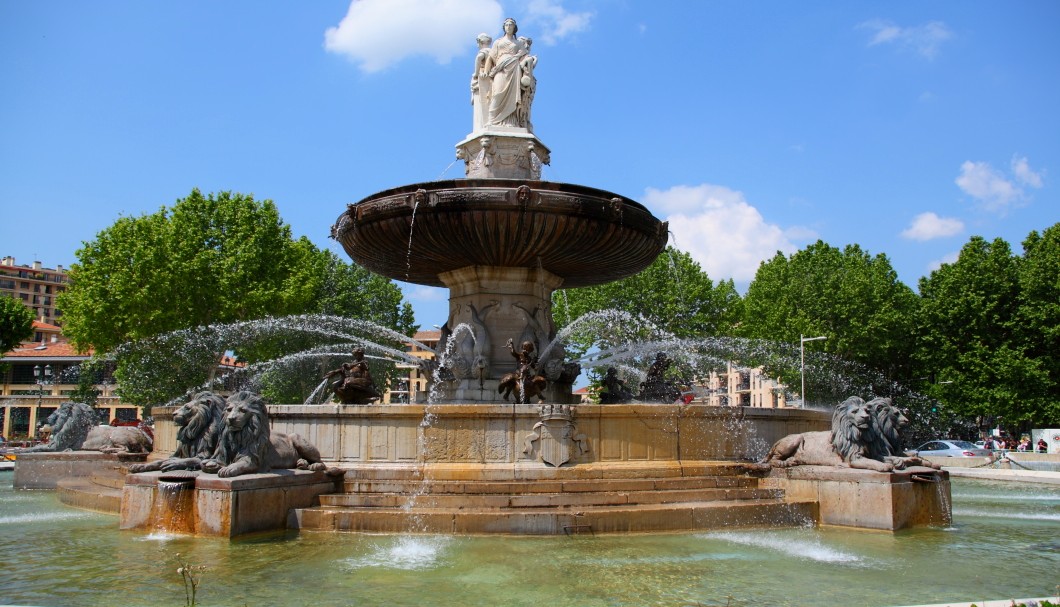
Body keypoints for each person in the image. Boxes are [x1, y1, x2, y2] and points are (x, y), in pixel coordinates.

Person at [483, 18, 529, 128]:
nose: (508, 27)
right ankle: (492, 119)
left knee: (512, 96)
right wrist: (486, 70)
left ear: (514, 28)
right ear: (504, 27)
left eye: (511, 25)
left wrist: (528, 63)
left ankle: (511, 122)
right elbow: (490, 57)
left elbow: (525, 56)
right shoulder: (498, 42)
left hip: (514, 69)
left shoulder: (518, 43)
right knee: (497, 92)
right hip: (500, 68)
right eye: (507, 25)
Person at [470, 33, 492, 132]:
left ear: (480, 42)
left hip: (482, 80)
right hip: (491, 80)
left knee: (481, 104)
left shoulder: (484, 51)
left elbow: (478, 58)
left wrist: (476, 73)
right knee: (489, 102)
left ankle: (482, 125)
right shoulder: (493, 52)